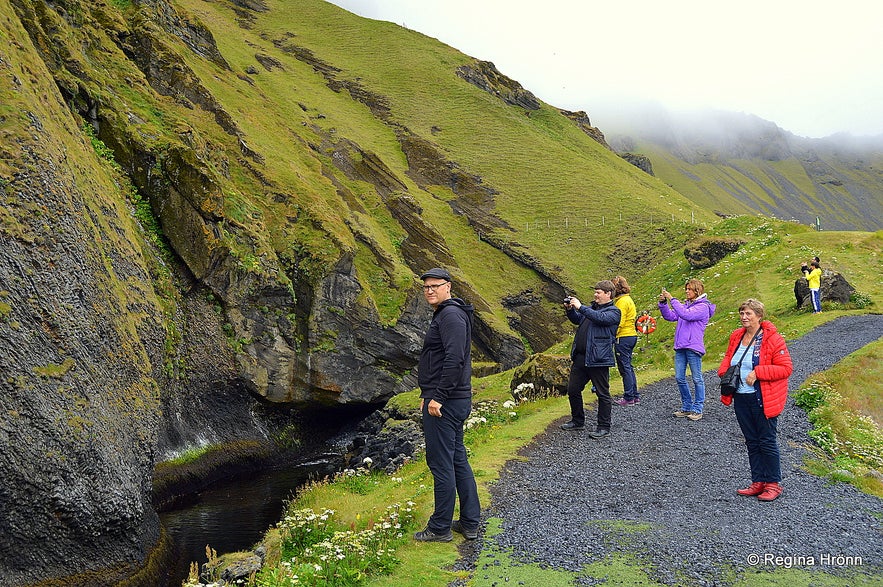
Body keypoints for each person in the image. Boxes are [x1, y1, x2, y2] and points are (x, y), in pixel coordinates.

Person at [413, 267, 481, 542]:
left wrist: (437, 397)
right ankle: (469, 522)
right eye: (426, 287)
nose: (430, 290)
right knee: (457, 460)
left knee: (441, 463)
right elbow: (440, 359)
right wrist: (427, 392)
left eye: (435, 286)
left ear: (448, 287)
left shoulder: (450, 316)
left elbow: (455, 360)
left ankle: (440, 527)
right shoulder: (449, 313)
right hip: (451, 398)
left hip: (447, 402)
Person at [718, 299, 793, 501]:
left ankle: (773, 484)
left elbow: (786, 368)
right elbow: (728, 359)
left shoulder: (773, 339)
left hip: (763, 398)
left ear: (759, 315)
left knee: (766, 440)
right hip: (741, 397)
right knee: (751, 441)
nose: (744, 317)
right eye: (742, 313)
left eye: (748, 313)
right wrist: (724, 373)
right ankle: (758, 481)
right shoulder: (736, 336)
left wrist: (759, 372)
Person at [560, 280, 621, 438]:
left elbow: (599, 318)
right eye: (595, 292)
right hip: (580, 358)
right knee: (573, 390)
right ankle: (577, 420)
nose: (595, 295)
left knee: (602, 393)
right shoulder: (591, 309)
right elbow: (578, 319)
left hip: (598, 358)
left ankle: (603, 427)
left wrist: (580, 307)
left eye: (598, 292)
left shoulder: (614, 312)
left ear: (608, 294)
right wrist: (570, 310)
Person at [658, 279, 716, 421]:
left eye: (689, 289)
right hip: (681, 346)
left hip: (693, 347)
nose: (687, 291)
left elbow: (686, 315)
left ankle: (697, 409)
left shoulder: (702, 307)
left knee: (697, 378)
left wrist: (672, 299)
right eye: (686, 289)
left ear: (697, 290)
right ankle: (686, 406)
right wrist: (663, 304)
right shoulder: (686, 305)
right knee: (679, 377)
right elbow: (671, 316)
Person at [611, 276, 639, 406]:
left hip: (623, 336)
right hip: (631, 335)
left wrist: (611, 334)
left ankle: (628, 397)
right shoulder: (628, 299)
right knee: (629, 366)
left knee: (624, 367)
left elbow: (619, 322)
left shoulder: (621, 302)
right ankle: (634, 395)